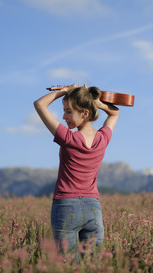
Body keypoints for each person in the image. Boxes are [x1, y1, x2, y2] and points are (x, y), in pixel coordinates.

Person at [33, 84, 119, 256]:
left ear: (85, 113)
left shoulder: (68, 138)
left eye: (68, 111)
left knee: (69, 267)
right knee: (92, 267)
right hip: (93, 209)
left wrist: (64, 91)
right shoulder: (103, 139)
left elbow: (39, 104)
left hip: (66, 206)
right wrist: (97, 103)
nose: (64, 116)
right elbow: (115, 112)